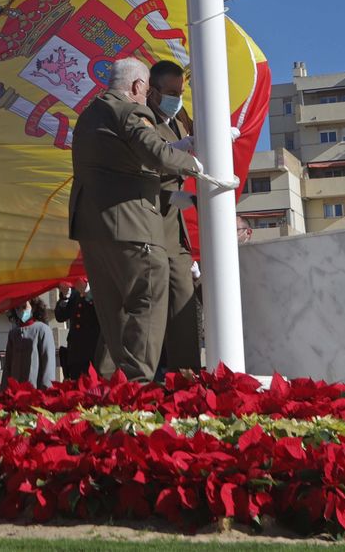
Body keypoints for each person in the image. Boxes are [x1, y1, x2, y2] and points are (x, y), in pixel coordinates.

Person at [69, 57, 226, 383]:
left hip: (92, 228)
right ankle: (137, 387)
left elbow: (126, 162)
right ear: (140, 87)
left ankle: (119, 390)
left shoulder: (88, 116)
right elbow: (155, 153)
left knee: (115, 312)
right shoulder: (130, 111)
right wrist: (200, 165)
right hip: (132, 225)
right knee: (150, 296)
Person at [146, 59, 204, 372]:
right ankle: (119, 384)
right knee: (144, 309)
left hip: (174, 227)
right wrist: (179, 197)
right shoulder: (142, 122)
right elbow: (144, 171)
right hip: (150, 224)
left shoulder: (176, 121)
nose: (176, 98)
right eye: (170, 92)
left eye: (180, 92)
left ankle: (188, 380)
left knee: (183, 302)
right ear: (152, 92)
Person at [4, 296, 58, 388]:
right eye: (17, 308)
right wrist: (4, 391)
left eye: (24, 307)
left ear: (34, 307)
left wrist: (47, 391)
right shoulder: (13, 334)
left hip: (35, 393)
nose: (21, 311)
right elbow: (7, 367)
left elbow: (48, 363)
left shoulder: (43, 330)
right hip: (15, 393)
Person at [54, 278, 100, 381]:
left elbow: (101, 312)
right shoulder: (74, 294)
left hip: (93, 353)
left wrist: (86, 292)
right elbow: (60, 316)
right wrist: (65, 296)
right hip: (75, 353)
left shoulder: (98, 289)